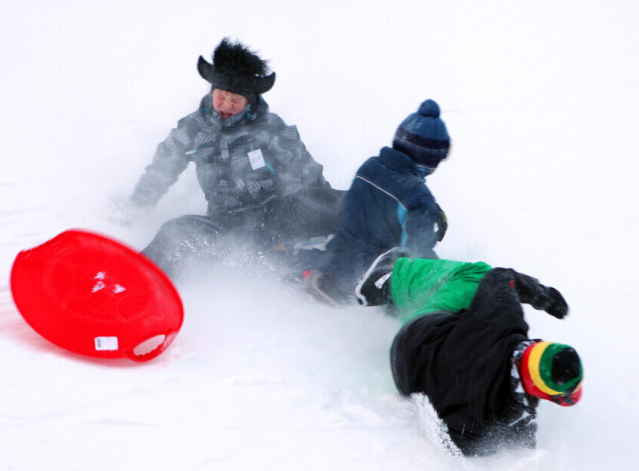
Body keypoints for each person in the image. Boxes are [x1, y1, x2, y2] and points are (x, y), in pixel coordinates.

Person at [126, 38, 343, 276]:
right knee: (175, 232)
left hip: (276, 219)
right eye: (222, 96)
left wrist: (324, 222)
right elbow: (162, 167)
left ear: (249, 101)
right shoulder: (193, 128)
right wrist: (135, 207)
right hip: (227, 226)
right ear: (212, 91)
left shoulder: (272, 129)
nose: (226, 105)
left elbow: (309, 177)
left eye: (236, 100)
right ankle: (135, 284)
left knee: (350, 203)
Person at [355, 250, 583, 456]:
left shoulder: (504, 321)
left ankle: (392, 279)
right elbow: (458, 441)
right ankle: (395, 297)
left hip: (416, 336)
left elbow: (500, 277)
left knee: (476, 275)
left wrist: (544, 296)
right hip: (406, 376)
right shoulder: (510, 418)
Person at [292, 99, 449, 305]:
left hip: (337, 255)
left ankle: (321, 277)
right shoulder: (417, 195)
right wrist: (440, 279)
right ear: (431, 158)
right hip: (371, 275)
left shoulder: (369, 168)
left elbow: (366, 205)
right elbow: (417, 252)